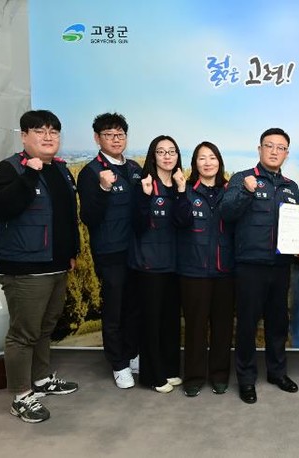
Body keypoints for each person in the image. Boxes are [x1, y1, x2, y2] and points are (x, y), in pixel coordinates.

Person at [0, 110, 79, 423]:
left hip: (56, 265)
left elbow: (67, 218)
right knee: (23, 333)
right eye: (40, 131)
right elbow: (2, 208)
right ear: (24, 136)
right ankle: (21, 396)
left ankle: (41, 380)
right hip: (24, 267)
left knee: (45, 327)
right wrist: (28, 175)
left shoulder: (61, 171)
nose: (48, 137)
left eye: (54, 131)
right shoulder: (8, 169)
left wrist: (72, 252)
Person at [219, 128, 299, 404]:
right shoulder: (243, 178)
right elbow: (227, 212)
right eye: (270, 145)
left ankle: (277, 373)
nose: (275, 151)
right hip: (250, 266)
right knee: (247, 324)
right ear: (260, 149)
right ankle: (246, 379)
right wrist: (246, 191)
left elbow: (298, 223)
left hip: (281, 266)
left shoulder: (291, 186)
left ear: (286, 153)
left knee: (278, 323)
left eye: (281, 147)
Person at [78, 113, 142, 389]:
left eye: (120, 134)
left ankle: (132, 353)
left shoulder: (134, 168)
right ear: (97, 138)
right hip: (110, 252)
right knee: (114, 310)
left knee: (134, 306)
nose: (115, 140)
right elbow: (89, 217)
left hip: (136, 251)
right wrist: (104, 189)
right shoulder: (91, 172)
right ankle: (118, 364)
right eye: (109, 135)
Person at [175, 141, 235, 397]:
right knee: (195, 327)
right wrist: (180, 192)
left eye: (212, 157)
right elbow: (179, 221)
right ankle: (194, 377)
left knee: (223, 327)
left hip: (225, 271)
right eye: (202, 158)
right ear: (195, 163)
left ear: (219, 162)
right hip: (194, 271)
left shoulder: (230, 192)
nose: (208, 162)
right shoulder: (186, 191)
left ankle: (220, 375)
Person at [129, 135, 186, 393]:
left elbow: (184, 222)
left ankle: (170, 369)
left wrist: (182, 191)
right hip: (149, 264)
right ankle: (152, 375)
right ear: (153, 157)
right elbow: (137, 225)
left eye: (172, 151)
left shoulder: (180, 184)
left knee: (170, 320)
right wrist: (144, 197)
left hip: (174, 263)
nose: (167, 156)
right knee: (151, 322)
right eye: (161, 152)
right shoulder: (144, 184)